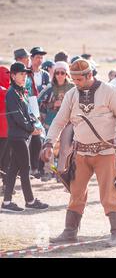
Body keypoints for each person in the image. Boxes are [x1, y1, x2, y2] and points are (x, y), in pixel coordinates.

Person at [41, 59, 116, 247]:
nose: (75, 83)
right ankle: (70, 232)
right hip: (80, 153)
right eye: (73, 79)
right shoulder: (72, 94)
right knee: (76, 192)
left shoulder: (109, 91)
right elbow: (59, 121)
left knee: (110, 193)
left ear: (89, 75)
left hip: (106, 152)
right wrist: (48, 143)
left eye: (78, 79)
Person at [1, 62, 49, 212]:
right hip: (17, 136)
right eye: (21, 74)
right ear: (13, 76)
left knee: (13, 169)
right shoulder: (12, 93)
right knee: (25, 169)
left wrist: (35, 124)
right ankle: (30, 200)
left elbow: (27, 114)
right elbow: (18, 118)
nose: (24, 76)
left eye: (25, 74)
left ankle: (7, 202)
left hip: (21, 135)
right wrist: (32, 129)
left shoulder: (20, 92)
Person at [38, 61, 75, 181]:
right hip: (51, 120)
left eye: (62, 73)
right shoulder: (49, 88)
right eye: (57, 73)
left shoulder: (72, 88)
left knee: (65, 148)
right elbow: (39, 101)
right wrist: (52, 103)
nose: (59, 75)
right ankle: (49, 171)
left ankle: (61, 173)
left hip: (68, 122)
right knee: (50, 147)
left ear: (66, 74)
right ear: (54, 74)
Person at [26, 47, 50, 180]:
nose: (40, 60)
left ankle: (38, 167)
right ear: (31, 58)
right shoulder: (26, 73)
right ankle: (29, 168)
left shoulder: (45, 75)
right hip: (29, 111)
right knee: (30, 139)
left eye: (41, 57)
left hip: (43, 111)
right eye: (37, 57)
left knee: (41, 139)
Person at [0, 66, 10, 195]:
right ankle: (7, 185)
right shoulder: (9, 91)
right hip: (7, 131)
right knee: (7, 159)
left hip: (6, 131)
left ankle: (7, 185)